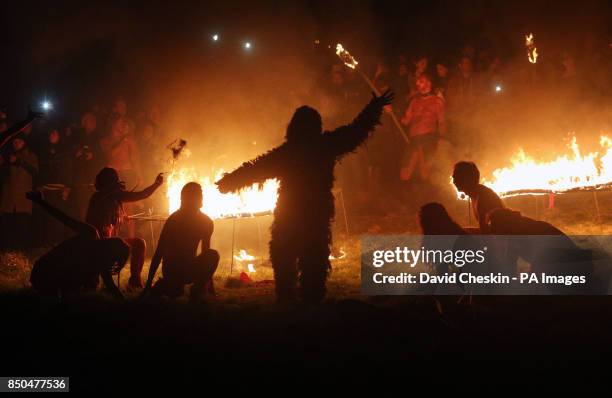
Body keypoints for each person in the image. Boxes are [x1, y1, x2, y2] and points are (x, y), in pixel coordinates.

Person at [217, 90, 394, 304]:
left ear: (292, 128)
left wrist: (229, 182)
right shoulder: (325, 145)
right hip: (315, 214)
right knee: (314, 260)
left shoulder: (288, 152)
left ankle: (288, 299)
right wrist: (374, 107)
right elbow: (356, 130)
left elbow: (256, 168)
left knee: (285, 258)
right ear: (316, 126)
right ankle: (310, 301)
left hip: (290, 215)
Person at [26, 190, 128, 299]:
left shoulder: (101, 258)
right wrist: (41, 201)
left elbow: (110, 286)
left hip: (47, 275)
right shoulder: (90, 234)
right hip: (44, 271)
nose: (111, 263)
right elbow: (64, 218)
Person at [86, 167, 164, 288]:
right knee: (139, 244)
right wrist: (156, 184)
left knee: (136, 243)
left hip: (95, 243)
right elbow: (143, 194)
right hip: (103, 244)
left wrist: (121, 216)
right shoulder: (112, 195)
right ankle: (135, 281)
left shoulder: (97, 197)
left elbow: (108, 214)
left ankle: (132, 281)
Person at [141, 182, 219, 301]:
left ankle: (196, 290)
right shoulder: (174, 221)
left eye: (201, 194)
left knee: (213, 255)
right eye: (198, 195)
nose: (201, 197)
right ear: (188, 198)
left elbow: (206, 253)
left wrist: (208, 285)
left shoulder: (206, 222)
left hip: (190, 266)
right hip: (173, 269)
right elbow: (159, 252)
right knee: (176, 293)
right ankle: (163, 285)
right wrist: (148, 284)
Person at [400, 74, 446, 184]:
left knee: (425, 170)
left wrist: (442, 139)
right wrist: (391, 111)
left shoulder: (437, 101)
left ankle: (426, 194)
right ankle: (406, 193)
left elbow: (442, 122)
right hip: (414, 138)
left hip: (429, 137)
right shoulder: (414, 101)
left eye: (421, 81)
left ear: (429, 83)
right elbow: (406, 120)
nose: (418, 84)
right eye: (417, 82)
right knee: (405, 171)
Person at [37, 127, 73, 245]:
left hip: (59, 189)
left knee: (58, 217)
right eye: (50, 133)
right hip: (47, 189)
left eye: (54, 133)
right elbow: (42, 170)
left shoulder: (64, 152)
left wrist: (67, 187)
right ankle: (48, 243)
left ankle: (58, 243)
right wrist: (40, 185)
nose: (51, 135)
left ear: (59, 136)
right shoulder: (44, 151)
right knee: (47, 217)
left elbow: (68, 170)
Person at [0, 136, 38, 249]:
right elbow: (5, 179)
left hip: (23, 200)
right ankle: (11, 253)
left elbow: (34, 172)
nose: (16, 144)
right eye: (14, 142)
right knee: (9, 229)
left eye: (19, 141)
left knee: (23, 228)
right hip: (9, 201)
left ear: (24, 142)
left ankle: (24, 253)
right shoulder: (8, 158)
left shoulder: (31, 156)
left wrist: (19, 161)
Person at [452, 161, 503, 233]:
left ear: (465, 178)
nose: (453, 181)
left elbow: (486, 234)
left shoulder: (483, 197)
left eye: (455, 177)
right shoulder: (475, 194)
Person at [73, 112, 103, 220]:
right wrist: (78, 152)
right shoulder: (77, 135)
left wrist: (93, 154)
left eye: (94, 120)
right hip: (81, 177)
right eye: (90, 120)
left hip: (93, 176)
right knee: (82, 205)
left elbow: (102, 154)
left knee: (94, 203)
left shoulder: (98, 136)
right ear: (84, 122)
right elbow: (72, 151)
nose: (92, 123)